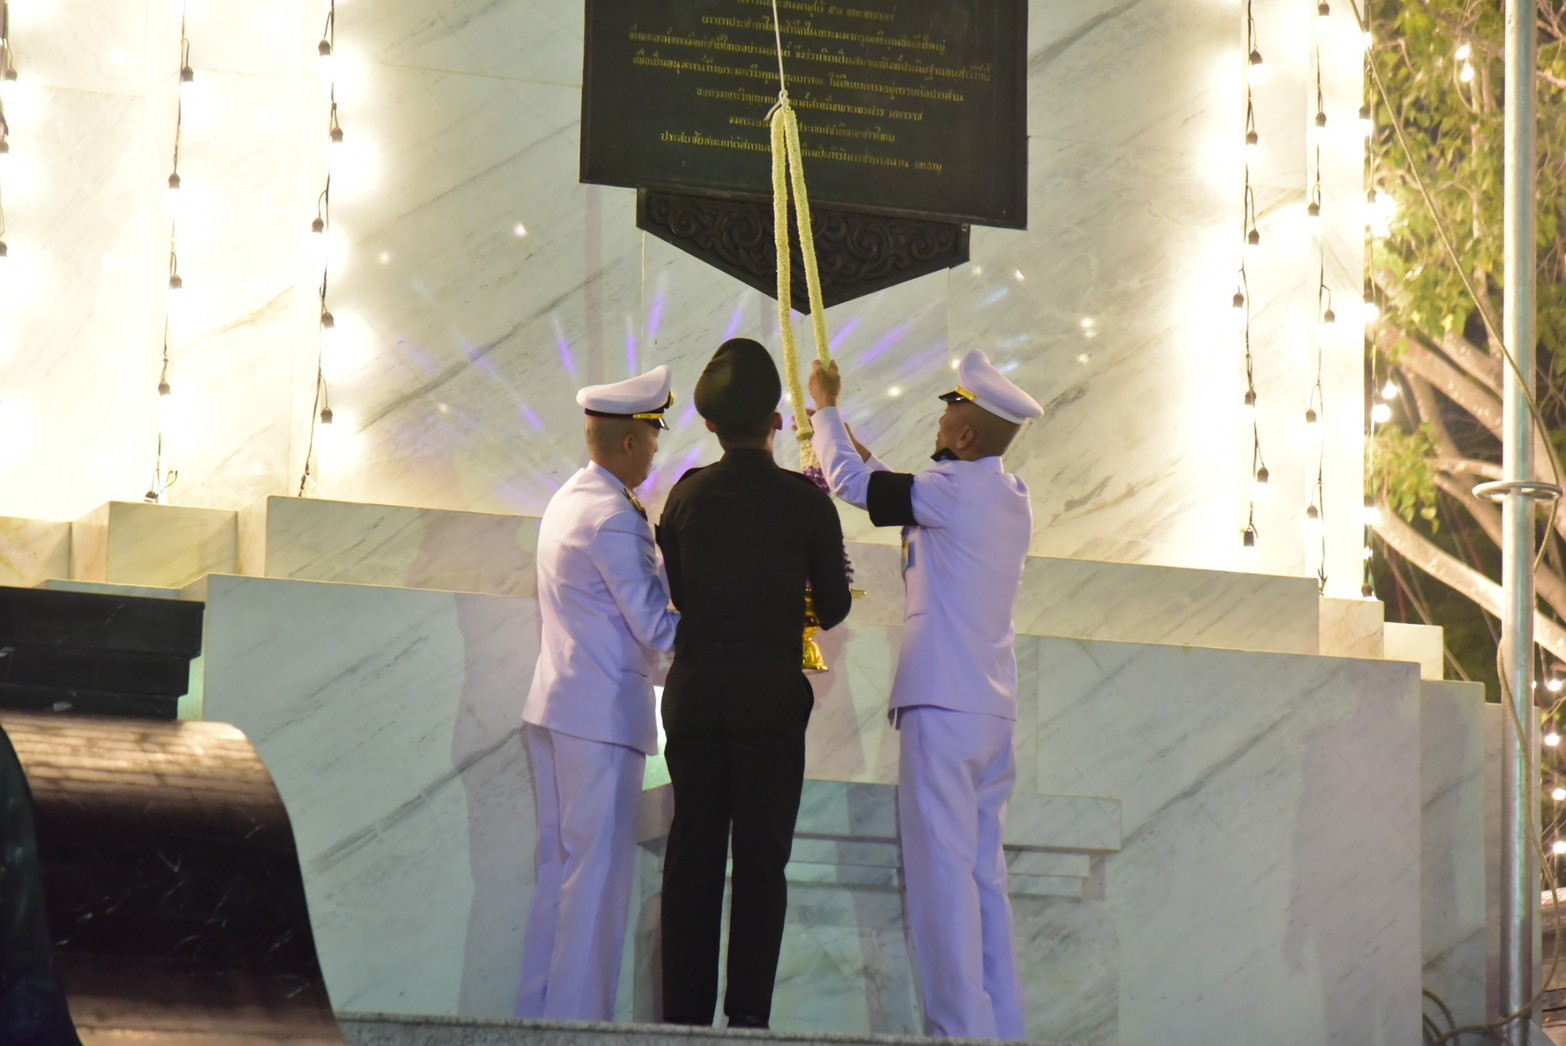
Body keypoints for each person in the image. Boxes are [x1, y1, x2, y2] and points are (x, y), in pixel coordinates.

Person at [807, 349, 1043, 1040]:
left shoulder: (948, 491)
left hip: (943, 705)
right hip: (990, 711)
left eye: (949, 412)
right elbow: (895, 486)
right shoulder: (1008, 495)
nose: (939, 421)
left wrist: (825, 409)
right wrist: (847, 437)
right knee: (983, 880)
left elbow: (855, 487)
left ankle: (957, 1032)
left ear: (964, 436)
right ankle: (1001, 1029)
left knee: (942, 880)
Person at [655, 338, 852, 1030]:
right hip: (769, 697)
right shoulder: (804, 502)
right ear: (775, 422)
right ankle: (747, 1022)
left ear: (710, 426)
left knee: (693, 854)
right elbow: (834, 606)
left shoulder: (685, 496)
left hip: (696, 694)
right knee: (762, 861)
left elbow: (680, 594)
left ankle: (682, 1022)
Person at [517, 365, 680, 1021]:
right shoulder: (615, 518)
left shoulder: (571, 497)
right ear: (630, 441)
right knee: (597, 881)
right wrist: (732, 632)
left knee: (561, 875)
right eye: (654, 437)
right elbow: (657, 628)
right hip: (601, 719)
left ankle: (539, 1020)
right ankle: (579, 1027)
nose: (656, 451)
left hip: (560, 705)